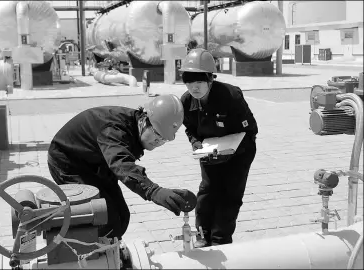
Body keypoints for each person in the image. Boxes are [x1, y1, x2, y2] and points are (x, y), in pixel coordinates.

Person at [47, 94, 193, 239]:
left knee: (122, 216)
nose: (158, 141)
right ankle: (87, 254)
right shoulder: (115, 130)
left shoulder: (134, 127)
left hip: (95, 160)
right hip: (68, 161)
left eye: (163, 139)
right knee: (104, 216)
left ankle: (110, 251)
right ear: (144, 120)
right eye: (156, 134)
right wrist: (153, 191)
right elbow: (121, 165)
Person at [179, 48, 258, 247]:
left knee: (229, 195)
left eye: (199, 82)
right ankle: (202, 235)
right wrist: (195, 143)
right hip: (209, 151)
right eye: (189, 81)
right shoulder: (186, 101)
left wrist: (230, 153)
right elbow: (190, 128)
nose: (194, 87)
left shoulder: (231, 96)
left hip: (239, 153)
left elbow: (251, 131)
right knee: (207, 191)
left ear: (210, 80)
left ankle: (221, 239)